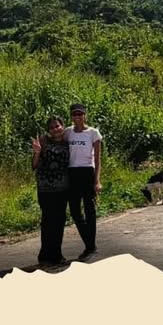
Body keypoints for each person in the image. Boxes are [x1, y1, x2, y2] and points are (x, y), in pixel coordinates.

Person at [31, 116, 71, 269]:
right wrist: (37, 152)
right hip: (45, 188)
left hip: (63, 187)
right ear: (49, 130)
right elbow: (34, 165)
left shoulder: (68, 142)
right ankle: (45, 256)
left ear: (63, 126)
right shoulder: (42, 141)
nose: (56, 129)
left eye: (58, 126)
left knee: (59, 222)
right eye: (52, 127)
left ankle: (57, 255)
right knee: (47, 221)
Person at [64, 104, 103, 262]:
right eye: (75, 115)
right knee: (75, 210)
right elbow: (56, 140)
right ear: (72, 117)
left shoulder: (93, 133)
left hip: (87, 171)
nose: (78, 117)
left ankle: (90, 247)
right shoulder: (68, 132)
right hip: (72, 172)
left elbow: (98, 159)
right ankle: (89, 242)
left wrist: (97, 180)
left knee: (89, 209)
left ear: (85, 116)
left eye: (80, 114)